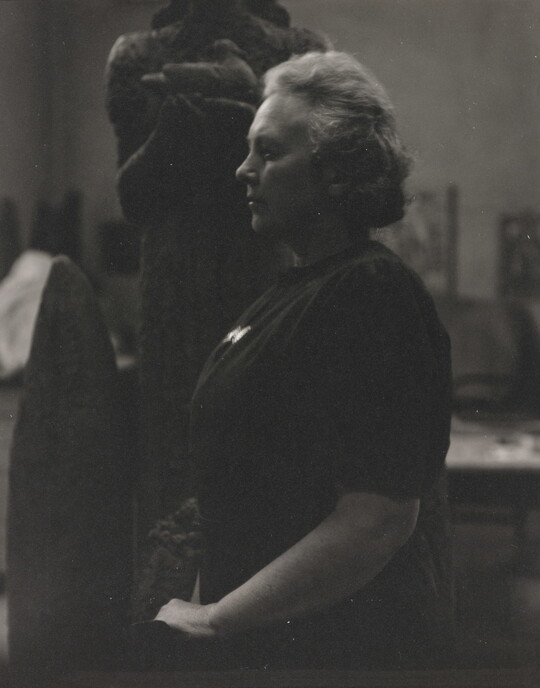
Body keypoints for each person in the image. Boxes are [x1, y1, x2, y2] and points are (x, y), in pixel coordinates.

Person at [154, 50, 454, 670]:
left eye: (268, 152)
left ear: (337, 173)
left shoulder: (371, 290)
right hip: (260, 641)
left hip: (338, 653)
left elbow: (379, 517)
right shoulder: (290, 293)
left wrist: (215, 618)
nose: (243, 170)